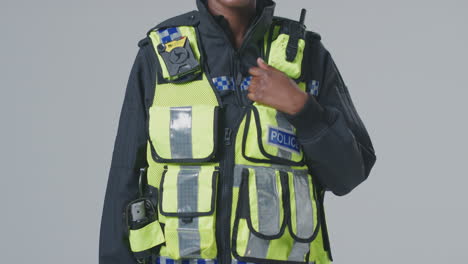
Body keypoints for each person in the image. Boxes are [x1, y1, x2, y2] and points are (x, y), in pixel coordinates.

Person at [99, 0, 377, 264]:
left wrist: (303, 108)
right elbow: (122, 184)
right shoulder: (157, 56)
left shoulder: (309, 58)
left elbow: (349, 174)